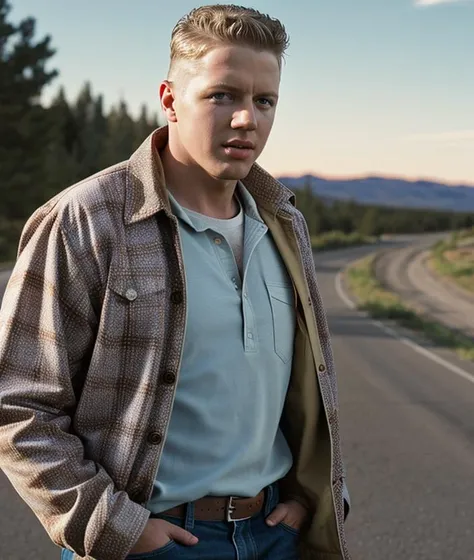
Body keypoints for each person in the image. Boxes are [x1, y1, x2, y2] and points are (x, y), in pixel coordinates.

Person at [0, 4, 351, 560]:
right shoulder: (88, 219)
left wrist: (305, 501)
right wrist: (116, 527)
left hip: (273, 532)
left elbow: (302, 394)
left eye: (265, 101)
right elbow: (18, 405)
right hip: (148, 539)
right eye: (223, 96)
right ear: (169, 99)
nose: (247, 119)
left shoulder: (285, 223)